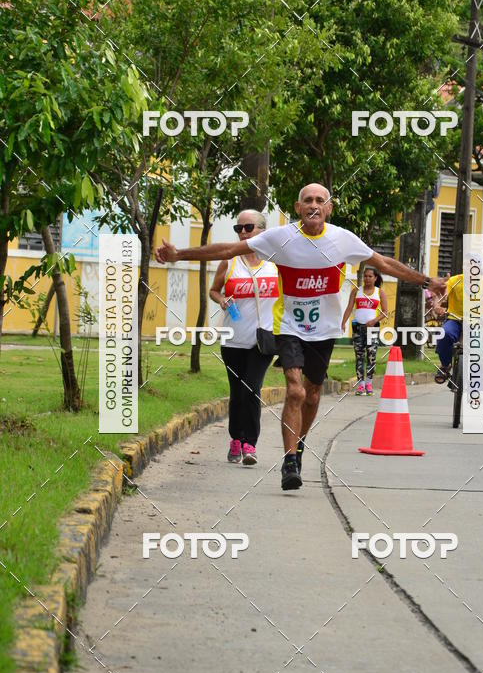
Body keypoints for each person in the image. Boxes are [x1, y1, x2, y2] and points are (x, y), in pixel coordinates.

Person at [156, 183, 447, 491]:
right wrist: (179, 254)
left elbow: (384, 263)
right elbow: (228, 250)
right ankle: (290, 460)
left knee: (313, 394)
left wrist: (427, 281)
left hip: (324, 331)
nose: (313, 205)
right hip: (288, 327)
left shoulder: (342, 239)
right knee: (295, 391)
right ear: (298, 208)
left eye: (320, 200)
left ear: (329, 208)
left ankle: (299, 443)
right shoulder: (281, 238)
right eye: (307, 200)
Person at [208, 209, 279, 465]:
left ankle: (250, 444)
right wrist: (222, 300)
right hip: (232, 340)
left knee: (252, 387)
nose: (243, 233)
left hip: (263, 340)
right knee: (237, 392)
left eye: (248, 228)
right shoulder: (229, 262)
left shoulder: (275, 264)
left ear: (263, 231)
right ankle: (235, 439)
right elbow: (214, 290)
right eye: (239, 229)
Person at [342, 267, 388, 395]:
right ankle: (360, 385)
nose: (367, 279)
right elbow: (349, 308)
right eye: (365, 276)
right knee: (359, 356)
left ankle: (369, 383)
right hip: (358, 328)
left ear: (375, 278)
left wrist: (374, 321)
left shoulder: (379, 292)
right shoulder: (356, 291)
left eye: (370, 276)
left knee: (371, 356)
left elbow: (385, 312)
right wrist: (343, 322)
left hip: (372, 328)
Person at [434, 273, 463, 383]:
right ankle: (445, 366)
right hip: (454, 319)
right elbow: (442, 295)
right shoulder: (454, 280)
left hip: (476, 321)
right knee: (444, 334)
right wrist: (437, 306)